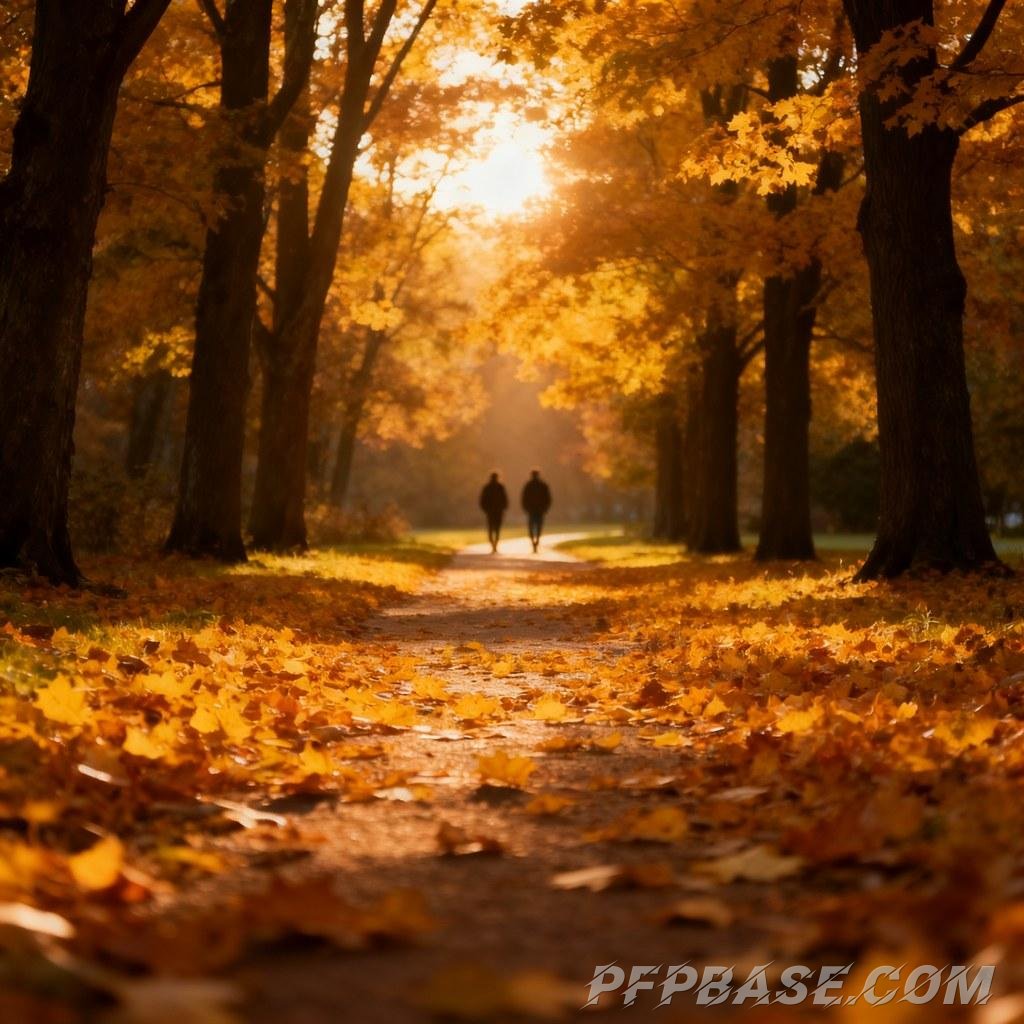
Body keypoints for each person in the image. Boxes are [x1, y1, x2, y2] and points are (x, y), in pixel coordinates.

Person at [521, 469, 552, 553]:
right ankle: (536, 541)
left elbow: (524, 498)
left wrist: (525, 508)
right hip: (539, 510)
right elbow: (548, 498)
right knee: (539, 526)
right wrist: (546, 508)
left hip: (532, 510)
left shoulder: (528, 485)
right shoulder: (543, 485)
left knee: (531, 527)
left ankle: (534, 542)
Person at [479, 471, 509, 553]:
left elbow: (482, 500)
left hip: (491, 512)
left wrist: (485, 509)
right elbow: (505, 499)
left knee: (491, 528)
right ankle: (495, 544)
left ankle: (493, 544)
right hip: (497, 511)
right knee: (497, 529)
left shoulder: (487, 487)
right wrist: (504, 508)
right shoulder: (500, 487)